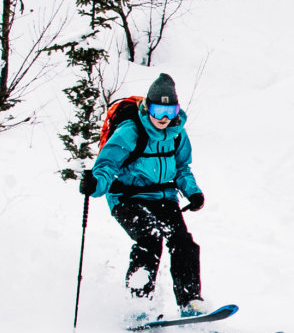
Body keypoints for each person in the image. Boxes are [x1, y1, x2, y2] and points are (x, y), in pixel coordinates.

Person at [80, 73, 207, 314]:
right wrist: (95, 184)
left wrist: (193, 192)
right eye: (159, 110)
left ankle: (190, 301)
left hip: (163, 197)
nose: (164, 118)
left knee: (183, 243)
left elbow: (181, 168)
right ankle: (138, 303)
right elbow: (107, 166)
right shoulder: (130, 131)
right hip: (127, 198)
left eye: (170, 111)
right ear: (148, 107)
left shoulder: (177, 132)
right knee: (150, 237)